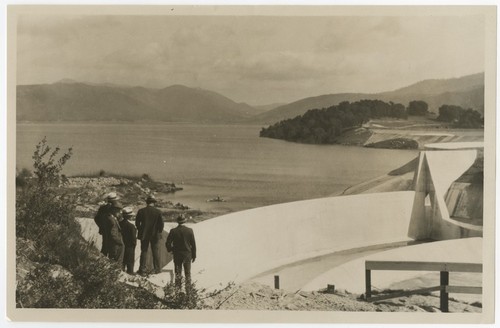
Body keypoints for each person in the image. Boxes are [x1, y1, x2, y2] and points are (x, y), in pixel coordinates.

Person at [135, 195, 164, 275]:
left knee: (144, 251)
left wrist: (141, 230)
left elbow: (137, 223)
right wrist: (158, 231)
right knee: (155, 252)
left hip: (144, 234)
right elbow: (161, 225)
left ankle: (142, 269)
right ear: (153, 203)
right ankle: (157, 269)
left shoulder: (141, 211)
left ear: (146, 203)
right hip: (155, 235)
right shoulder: (158, 212)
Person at [166, 215, 196, 289]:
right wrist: (194, 255)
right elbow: (193, 244)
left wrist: (171, 249)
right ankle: (188, 290)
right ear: (185, 221)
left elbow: (167, 243)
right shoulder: (190, 230)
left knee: (178, 272)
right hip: (187, 254)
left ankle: (178, 289)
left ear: (177, 222)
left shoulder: (173, 231)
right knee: (187, 273)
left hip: (177, 254)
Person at [94, 192, 120, 256]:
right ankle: (110, 260)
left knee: (105, 244)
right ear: (114, 200)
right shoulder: (114, 208)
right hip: (112, 229)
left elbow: (96, 218)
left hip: (104, 229)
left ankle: (103, 257)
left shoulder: (102, 208)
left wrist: (101, 226)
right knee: (112, 245)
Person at [120, 207, 137, 275]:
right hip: (129, 245)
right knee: (130, 260)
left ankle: (122, 271)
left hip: (122, 243)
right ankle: (130, 272)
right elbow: (133, 238)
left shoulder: (119, 223)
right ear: (130, 216)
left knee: (123, 259)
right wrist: (134, 244)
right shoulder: (131, 226)